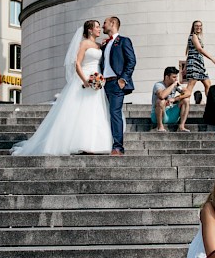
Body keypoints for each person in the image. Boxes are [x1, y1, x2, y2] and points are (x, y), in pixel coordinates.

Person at [11, 20, 113, 155]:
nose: (99, 29)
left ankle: (95, 143)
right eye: (97, 27)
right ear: (90, 30)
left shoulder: (100, 45)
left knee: (95, 111)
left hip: (97, 81)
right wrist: (85, 80)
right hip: (85, 79)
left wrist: (99, 79)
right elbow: (77, 63)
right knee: (81, 112)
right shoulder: (84, 44)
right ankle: (79, 142)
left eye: (100, 27)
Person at [101, 16, 135, 156]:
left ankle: (118, 147)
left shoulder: (123, 41)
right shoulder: (105, 44)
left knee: (115, 113)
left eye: (105, 23)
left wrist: (123, 79)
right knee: (104, 114)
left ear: (113, 23)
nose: (103, 26)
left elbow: (131, 61)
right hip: (103, 84)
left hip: (116, 83)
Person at [182, 21, 215, 104]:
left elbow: (190, 52)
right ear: (193, 27)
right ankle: (183, 103)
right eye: (196, 26)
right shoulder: (193, 36)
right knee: (190, 85)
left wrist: (185, 67)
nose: (198, 27)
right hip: (194, 64)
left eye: (200, 26)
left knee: (208, 84)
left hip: (200, 64)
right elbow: (199, 49)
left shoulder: (197, 37)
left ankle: (210, 104)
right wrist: (212, 59)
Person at [151, 66, 191, 132]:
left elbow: (188, 93)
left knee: (186, 100)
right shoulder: (158, 85)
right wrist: (173, 85)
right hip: (159, 115)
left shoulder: (176, 85)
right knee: (160, 101)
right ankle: (160, 126)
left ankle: (181, 126)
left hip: (171, 115)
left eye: (176, 77)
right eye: (174, 77)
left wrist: (175, 98)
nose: (176, 79)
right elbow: (162, 95)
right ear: (167, 77)